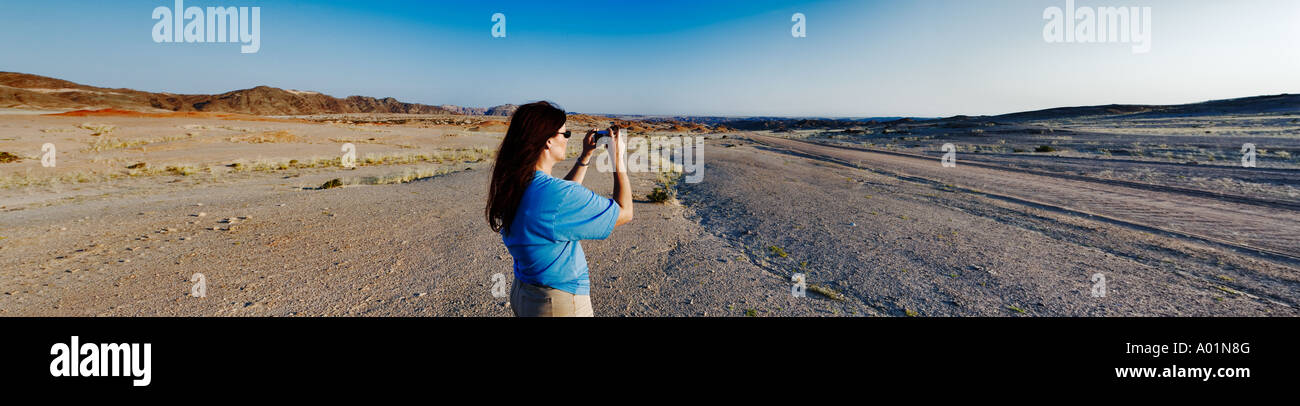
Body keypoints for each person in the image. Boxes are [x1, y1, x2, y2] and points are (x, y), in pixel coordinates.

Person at [485, 101, 633, 317]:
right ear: (547, 141)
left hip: (524, 294)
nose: (567, 139)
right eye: (565, 134)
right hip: (558, 303)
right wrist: (617, 160)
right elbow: (625, 212)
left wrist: (585, 157)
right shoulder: (556, 195)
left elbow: (557, 205)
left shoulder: (516, 184)